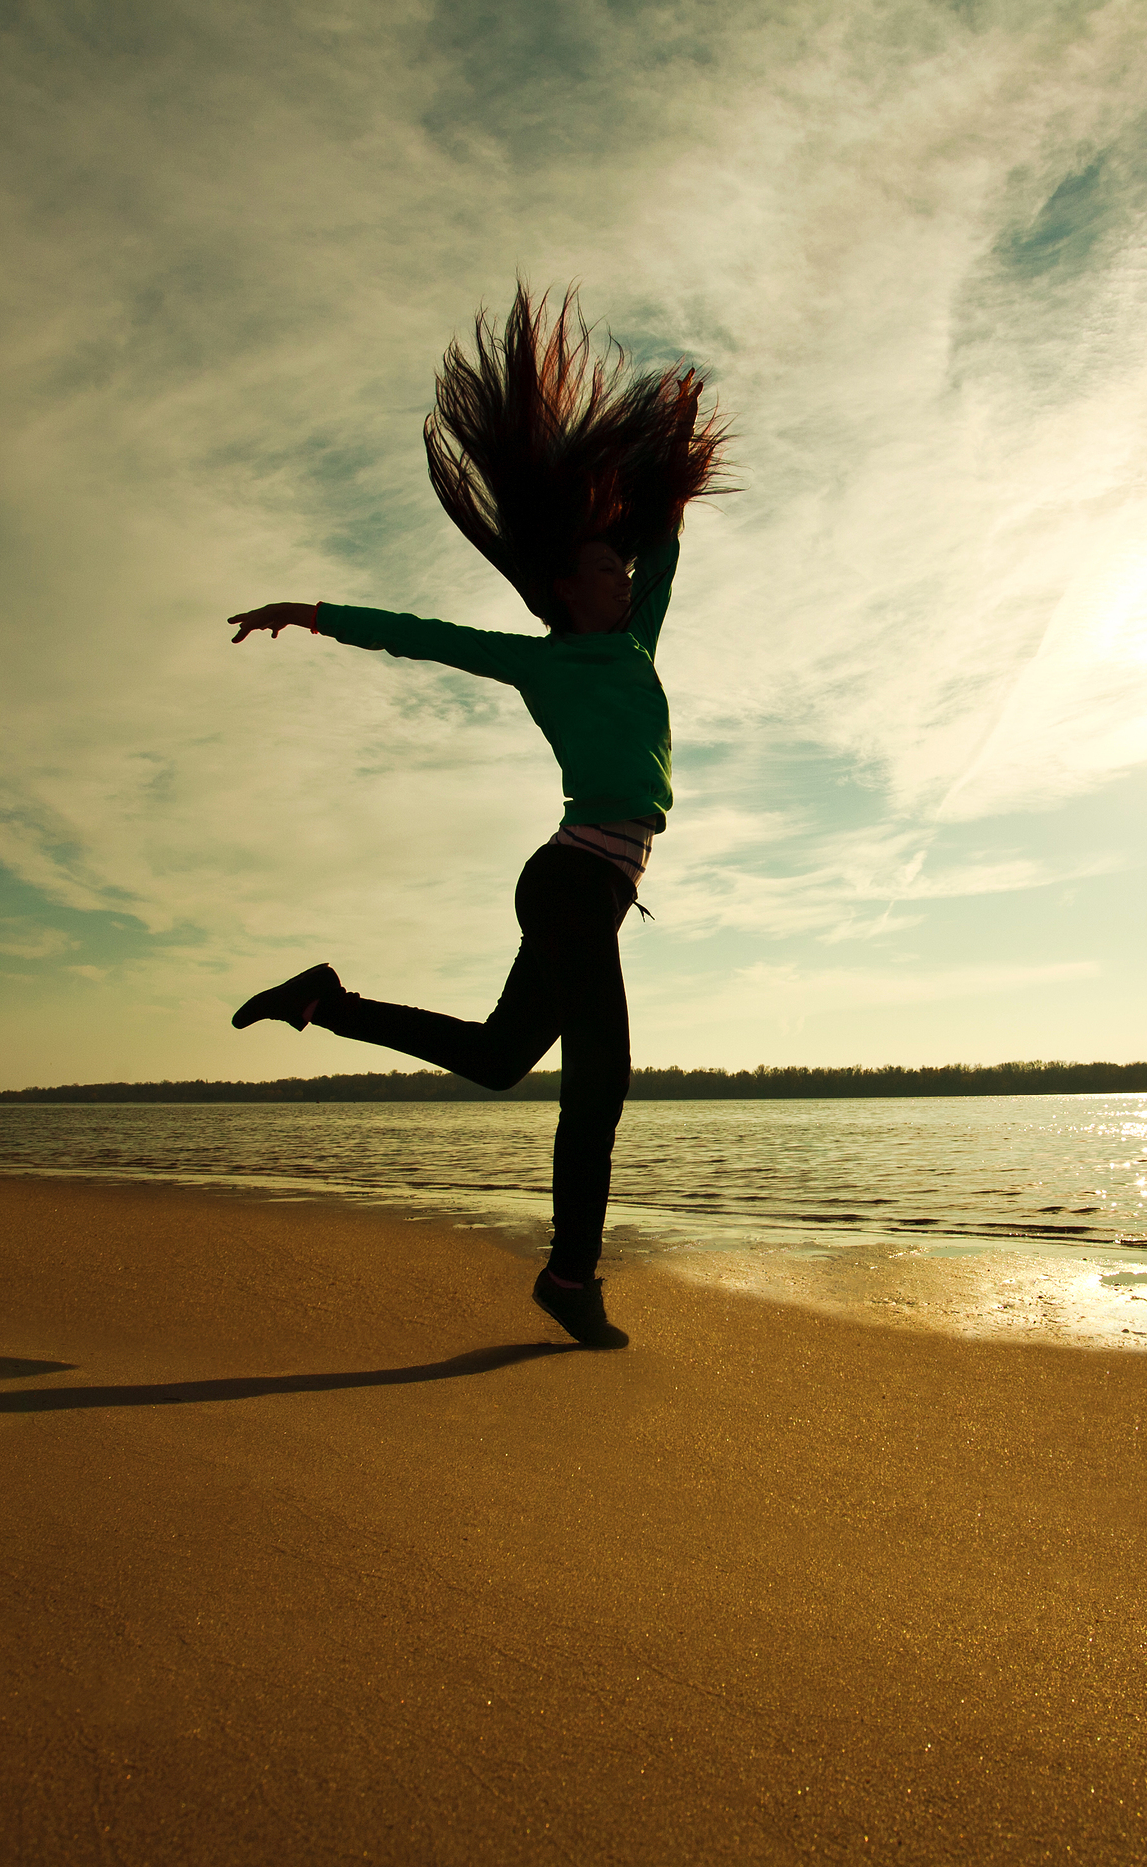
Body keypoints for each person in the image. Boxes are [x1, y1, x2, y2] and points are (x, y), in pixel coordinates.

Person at [225, 287, 731, 1350]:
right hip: (570, 879)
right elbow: (418, 634)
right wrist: (312, 613)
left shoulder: (636, 638)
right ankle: (570, 1275)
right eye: (606, 564)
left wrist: (671, 460)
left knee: (503, 1057)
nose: (624, 571)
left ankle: (324, 1001)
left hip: (592, 882)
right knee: (604, 1071)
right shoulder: (541, 658)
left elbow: (667, 543)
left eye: (625, 563)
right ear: (564, 589)